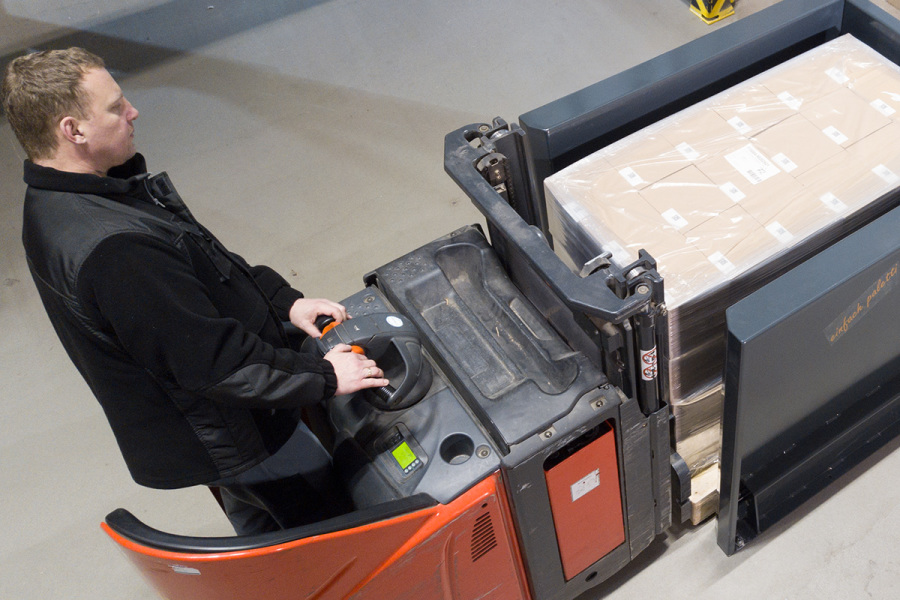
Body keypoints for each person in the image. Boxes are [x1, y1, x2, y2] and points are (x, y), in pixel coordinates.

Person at [2, 47, 390, 534]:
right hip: (246, 435)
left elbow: (200, 267)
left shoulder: (62, 199)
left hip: (219, 436)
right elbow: (218, 365)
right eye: (116, 107)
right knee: (334, 531)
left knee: (262, 532)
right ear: (73, 130)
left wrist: (284, 302)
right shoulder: (115, 248)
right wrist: (326, 376)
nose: (133, 112)